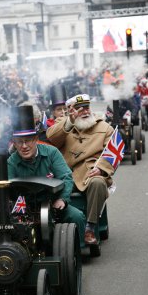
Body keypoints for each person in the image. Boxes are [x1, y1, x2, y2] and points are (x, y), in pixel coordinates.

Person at [0, 105, 86, 246]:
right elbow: (7, 189)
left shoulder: (52, 153)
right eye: (19, 142)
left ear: (36, 138)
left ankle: (76, 252)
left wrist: (62, 199)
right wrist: (8, 206)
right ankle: (0, 251)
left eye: (28, 140)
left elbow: (66, 177)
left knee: (76, 216)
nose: (24, 146)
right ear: (14, 143)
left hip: (52, 205)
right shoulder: (11, 162)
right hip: (23, 208)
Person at [47, 94, 115, 245]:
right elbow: (51, 138)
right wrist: (70, 121)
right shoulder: (63, 124)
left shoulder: (104, 127)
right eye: (79, 109)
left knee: (98, 182)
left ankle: (90, 228)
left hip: (91, 172)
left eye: (86, 108)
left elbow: (113, 152)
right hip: (65, 174)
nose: (84, 112)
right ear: (71, 111)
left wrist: (102, 169)